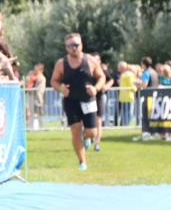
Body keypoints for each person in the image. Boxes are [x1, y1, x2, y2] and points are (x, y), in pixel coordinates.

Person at [50, 33, 106, 171]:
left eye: (76, 45)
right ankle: (82, 162)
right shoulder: (61, 63)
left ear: (81, 45)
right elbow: (54, 81)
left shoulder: (91, 60)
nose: (73, 48)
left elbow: (101, 77)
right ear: (66, 48)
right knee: (75, 130)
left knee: (92, 133)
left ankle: (87, 138)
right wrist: (61, 88)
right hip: (71, 101)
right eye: (70, 46)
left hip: (88, 100)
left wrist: (96, 88)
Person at [92, 55, 114, 152]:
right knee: (86, 122)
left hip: (99, 97)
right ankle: (87, 138)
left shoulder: (102, 71)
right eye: (93, 59)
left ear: (99, 61)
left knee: (98, 121)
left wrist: (106, 86)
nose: (95, 61)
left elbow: (111, 79)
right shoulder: (86, 69)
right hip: (87, 98)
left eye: (97, 59)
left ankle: (97, 143)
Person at [24, 63, 46, 130]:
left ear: (40, 70)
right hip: (32, 96)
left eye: (36, 69)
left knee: (39, 113)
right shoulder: (34, 77)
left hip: (37, 97)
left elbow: (39, 89)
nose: (34, 71)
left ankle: (40, 127)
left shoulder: (41, 78)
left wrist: (40, 100)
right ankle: (31, 127)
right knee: (31, 112)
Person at [115, 61, 137, 127]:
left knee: (124, 112)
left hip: (122, 96)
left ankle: (123, 124)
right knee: (128, 112)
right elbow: (131, 86)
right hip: (129, 96)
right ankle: (126, 125)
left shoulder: (123, 75)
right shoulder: (130, 75)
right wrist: (136, 88)